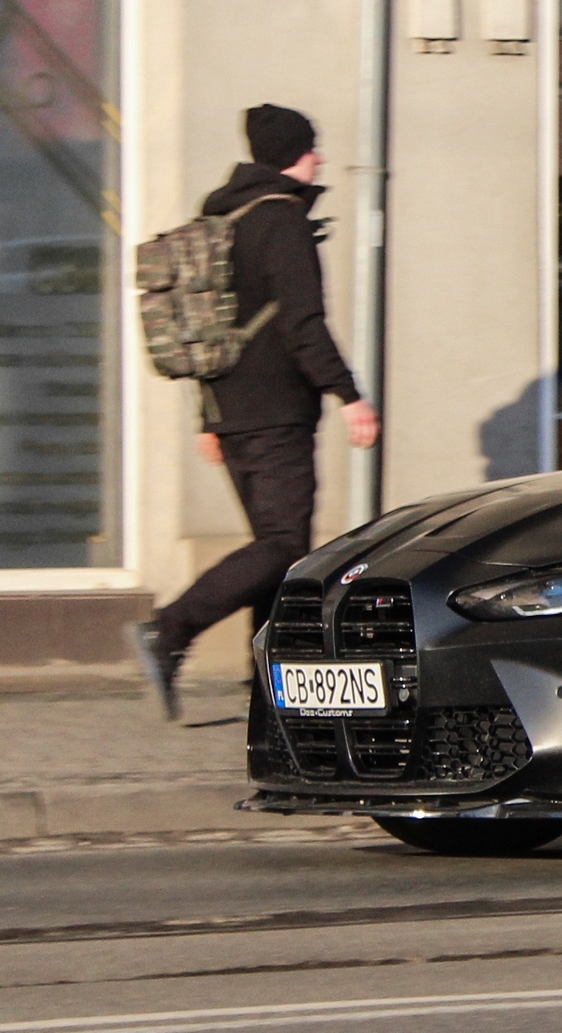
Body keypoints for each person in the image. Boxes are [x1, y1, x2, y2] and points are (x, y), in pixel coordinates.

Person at [127, 106, 379, 719]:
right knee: (282, 543)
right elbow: (301, 324)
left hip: (231, 408)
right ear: (294, 152)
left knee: (277, 550)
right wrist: (349, 396)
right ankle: (170, 629)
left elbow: (213, 325)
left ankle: (267, 685)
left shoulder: (227, 217)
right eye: (313, 147)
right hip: (275, 411)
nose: (319, 157)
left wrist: (209, 420)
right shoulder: (280, 220)